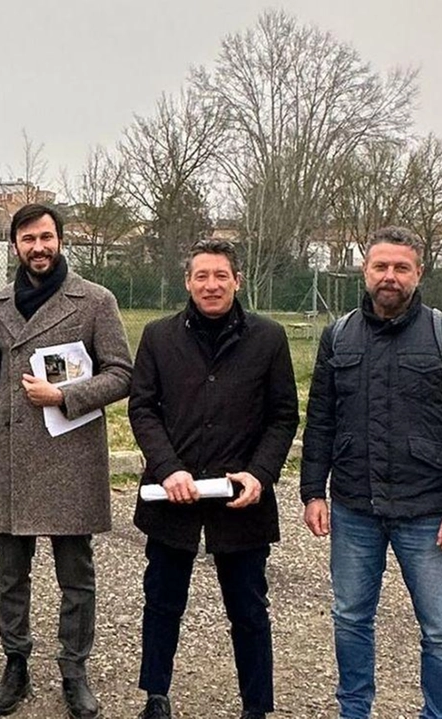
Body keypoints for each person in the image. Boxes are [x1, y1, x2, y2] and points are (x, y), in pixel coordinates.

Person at [300, 226, 442, 719]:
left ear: (418, 273)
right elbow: (320, 418)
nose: (390, 277)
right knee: (350, 619)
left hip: (428, 513)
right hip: (353, 508)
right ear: (365, 271)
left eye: (400, 268)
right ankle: (354, 711)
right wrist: (312, 491)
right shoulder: (338, 336)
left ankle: (439, 714)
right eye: (380, 267)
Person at [128, 240, 299, 719]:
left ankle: (256, 707)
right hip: (172, 495)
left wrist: (261, 474)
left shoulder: (268, 338)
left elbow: (284, 416)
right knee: (162, 601)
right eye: (201, 275)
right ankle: (156, 695)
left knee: (247, 609)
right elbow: (142, 409)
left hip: (240, 498)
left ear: (237, 281)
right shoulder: (159, 337)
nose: (211, 285)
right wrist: (168, 467)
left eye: (220, 275)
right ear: (188, 282)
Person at [0, 204, 133, 719]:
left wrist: (65, 395)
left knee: (76, 575)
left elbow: (121, 373)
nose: (38, 247)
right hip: (11, 456)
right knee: (10, 575)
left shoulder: (95, 301)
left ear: (61, 241)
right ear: (15, 246)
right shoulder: (1, 301)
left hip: (70, 454)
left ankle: (74, 669)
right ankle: (15, 664)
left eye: (46, 237)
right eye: (28, 239)